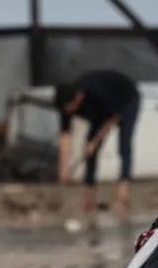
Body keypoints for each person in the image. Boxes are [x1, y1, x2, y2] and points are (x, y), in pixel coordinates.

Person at [54, 70, 141, 215]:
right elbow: (65, 137)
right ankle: (89, 199)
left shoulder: (97, 93)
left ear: (79, 97)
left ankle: (122, 197)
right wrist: (64, 172)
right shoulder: (65, 104)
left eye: (71, 107)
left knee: (123, 146)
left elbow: (112, 117)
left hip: (125, 99)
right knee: (90, 152)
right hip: (99, 113)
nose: (70, 112)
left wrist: (95, 141)